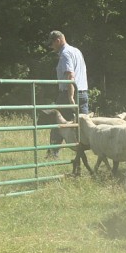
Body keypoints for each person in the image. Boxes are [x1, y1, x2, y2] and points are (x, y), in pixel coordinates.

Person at [45, 30, 89, 158]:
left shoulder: (65, 54)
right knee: (85, 125)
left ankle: (53, 153)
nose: (51, 47)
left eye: (51, 44)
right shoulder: (77, 51)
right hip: (83, 92)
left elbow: (70, 75)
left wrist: (70, 96)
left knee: (58, 123)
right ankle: (87, 152)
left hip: (69, 94)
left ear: (58, 40)